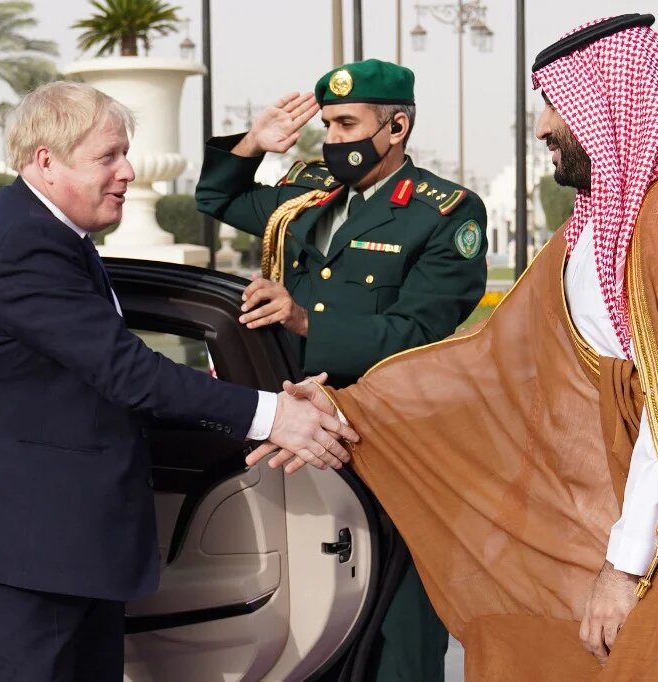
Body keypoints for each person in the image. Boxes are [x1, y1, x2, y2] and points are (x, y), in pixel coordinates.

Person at [252, 15, 658, 679]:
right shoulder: (593, 231)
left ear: (611, 106)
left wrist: (623, 567)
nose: (542, 128)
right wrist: (339, 408)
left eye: (557, 105)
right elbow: (490, 363)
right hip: (607, 518)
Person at [0, 81, 356, 681]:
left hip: (54, 548)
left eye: (125, 153)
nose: (128, 171)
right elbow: (128, 372)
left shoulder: (53, 235)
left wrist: (267, 401)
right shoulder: (24, 243)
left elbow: (102, 380)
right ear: (46, 161)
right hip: (19, 554)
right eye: (108, 156)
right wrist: (275, 416)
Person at [196, 59, 487, 681]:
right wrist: (253, 143)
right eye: (327, 124)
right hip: (297, 443)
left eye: (348, 124)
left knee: (397, 630)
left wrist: (305, 321)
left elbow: (421, 333)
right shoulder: (308, 193)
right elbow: (215, 195)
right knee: (308, 617)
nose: (333, 140)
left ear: (397, 126)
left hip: (387, 444)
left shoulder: (444, 212)